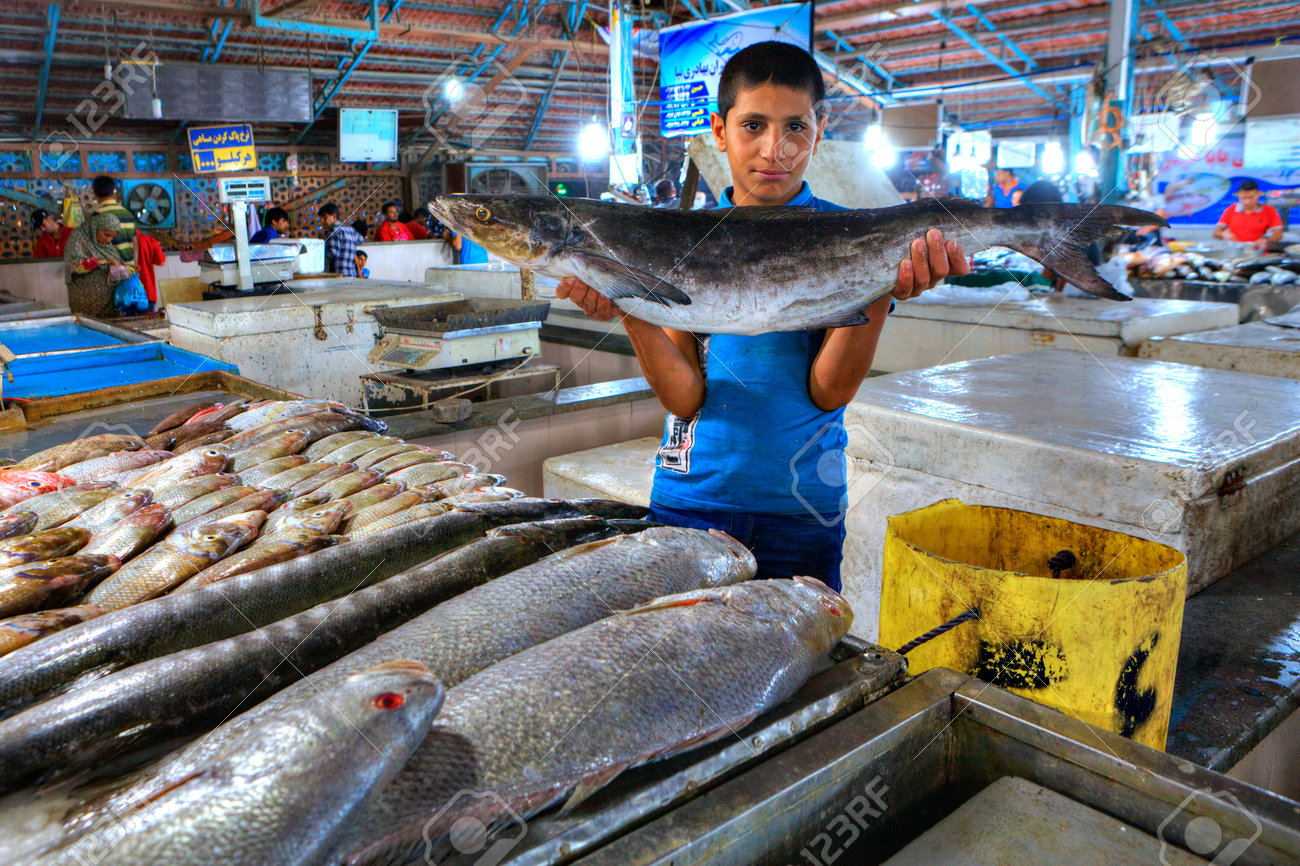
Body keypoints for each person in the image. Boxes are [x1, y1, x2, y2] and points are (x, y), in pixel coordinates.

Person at [554, 42, 967, 592]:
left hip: (797, 514)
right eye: (753, 125)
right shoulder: (683, 239)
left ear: (818, 130)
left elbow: (828, 391)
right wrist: (631, 307)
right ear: (718, 130)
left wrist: (877, 284)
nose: (776, 148)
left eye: (795, 126)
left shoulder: (855, 235)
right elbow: (684, 398)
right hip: (688, 501)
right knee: (678, 667)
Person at [64, 212, 135, 318]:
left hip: (109, 306)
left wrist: (124, 269)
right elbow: (75, 267)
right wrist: (103, 261)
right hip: (85, 304)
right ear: (96, 227)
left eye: (112, 237)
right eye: (106, 235)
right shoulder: (78, 239)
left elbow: (118, 262)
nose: (108, 240)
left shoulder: (108, 246)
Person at [1214, 180, 1283, 248]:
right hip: (1235, 251)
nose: (1247, 202)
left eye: (1251, 197)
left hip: (1258, 251)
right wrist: (1224, 234)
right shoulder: (1231, 209)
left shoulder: (1269, 211)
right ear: (1239, 196)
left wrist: (1265, 240)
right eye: (1243, 198)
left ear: (1258, 194)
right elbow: (1216, 233)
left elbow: (1278, 235)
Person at [90, 175, 136, 267]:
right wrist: (134, 266)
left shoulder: (97, 215)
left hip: (110, 271)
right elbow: (135, 242)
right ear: (113, 192)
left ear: (94, 192)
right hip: (129, 270)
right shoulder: (127, 214)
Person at [320, 202, 364, 277]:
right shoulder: (350, 230)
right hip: (351, 274)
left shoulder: (333, 230)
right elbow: (361, 240)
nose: (322, 221)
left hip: (338, 275)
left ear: (334, 216)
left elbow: (332, 253)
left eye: (324, 218)